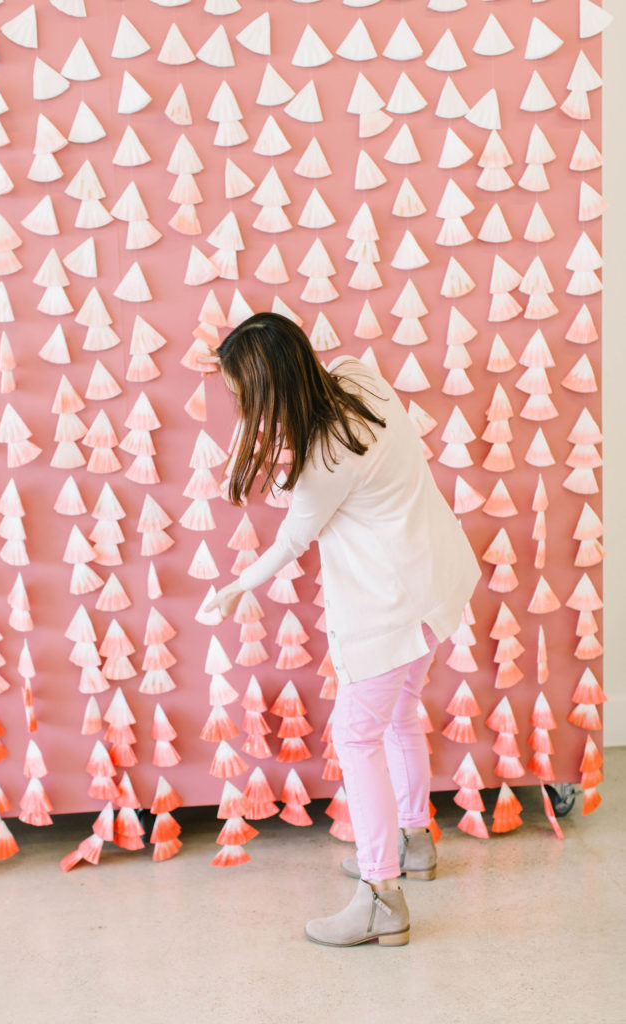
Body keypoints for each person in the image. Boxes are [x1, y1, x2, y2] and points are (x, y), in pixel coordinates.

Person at [205, 312, 481, 947]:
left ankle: (382, 895)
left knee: (357, 740)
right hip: (435, 585)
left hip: (390, 610)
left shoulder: (324, 460)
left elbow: (290, 540)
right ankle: (413, 840)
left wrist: (237, 587)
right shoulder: (359, 378)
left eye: (243, 396)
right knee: (401, 714)